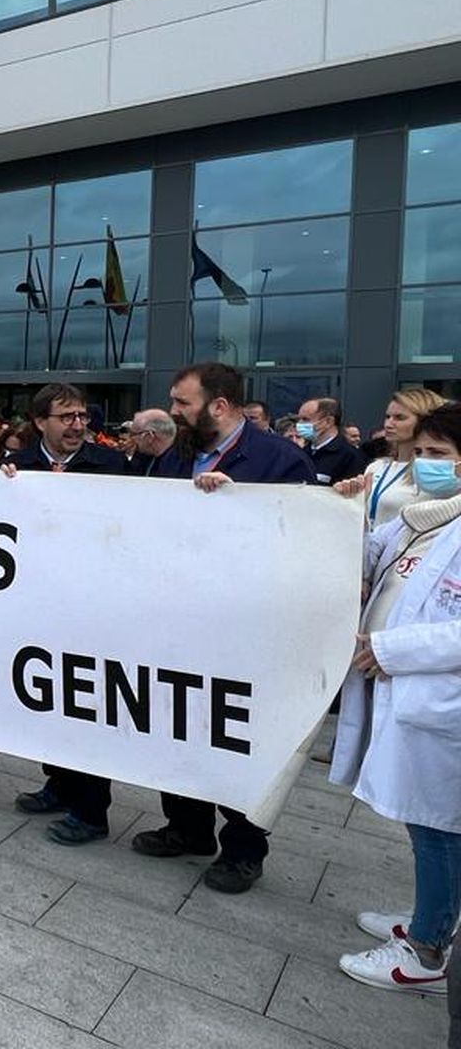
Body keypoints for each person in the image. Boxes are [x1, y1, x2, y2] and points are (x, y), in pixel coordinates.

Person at [135, 361, 314, 893]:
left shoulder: (279, 460)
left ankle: (242, 849)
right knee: (177, 723)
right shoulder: (178, 456)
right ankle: (187, 828)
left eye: (182, 403)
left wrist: (237, 508)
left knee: (235, 735)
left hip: (244, 630)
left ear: (219, 405)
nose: (173, 412)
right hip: (178, 620)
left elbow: (297, 540)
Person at [330, 402, 461, 997]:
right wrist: (340, 507)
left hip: (436, 700)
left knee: (440, 827)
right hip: (402, 693)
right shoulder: (421, 519)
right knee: (425, 823)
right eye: (424, 453)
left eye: (441, 456)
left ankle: (426, 953)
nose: (426, 465)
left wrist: (393, 649)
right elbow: (350, 552)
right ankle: (433, 917)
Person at [0, 384, 126, 844]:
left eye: (81, 417)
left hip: (91, 612)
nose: (77, 425)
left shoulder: (112, 466)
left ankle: (92, 811)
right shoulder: (16, 468)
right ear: (40, 423)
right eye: (66, 417)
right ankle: (58, 783)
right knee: (46, 706)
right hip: (36, 609)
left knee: (85, 709)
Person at [336, 388, 447, 529]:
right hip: (368, 546)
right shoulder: (376, 466)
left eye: (400, 418)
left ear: (424, 421)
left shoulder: (431, 471)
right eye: (387, 417)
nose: (388, 424)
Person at [298, 396, 366, 484]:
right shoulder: (302, 453)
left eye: (305, 419)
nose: (299, 424)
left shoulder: (350, 457)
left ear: (328, 421)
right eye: (299, 419)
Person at [124, 408, 177, 477]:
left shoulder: (177, 466)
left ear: (149, 436)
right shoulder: (146, 457)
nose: (131, 439)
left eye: (134, 434)